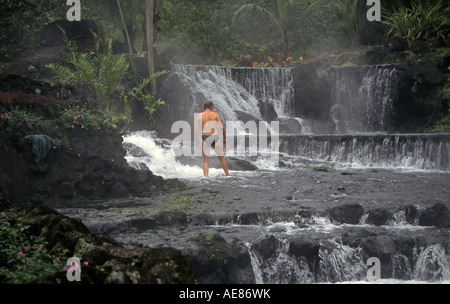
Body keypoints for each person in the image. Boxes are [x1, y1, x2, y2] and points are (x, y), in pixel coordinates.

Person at [194, 100, 230, 177]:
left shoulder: (199, 116)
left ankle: (206, 177)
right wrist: (224, 138)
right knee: (221, 157)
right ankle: (227, 175)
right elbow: (222, 127)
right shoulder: (215, 115)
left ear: (204, 107)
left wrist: (198, 139)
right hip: (214, 137)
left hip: (204, 137)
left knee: (206, 160)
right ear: (211, 107)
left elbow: (195, 130)